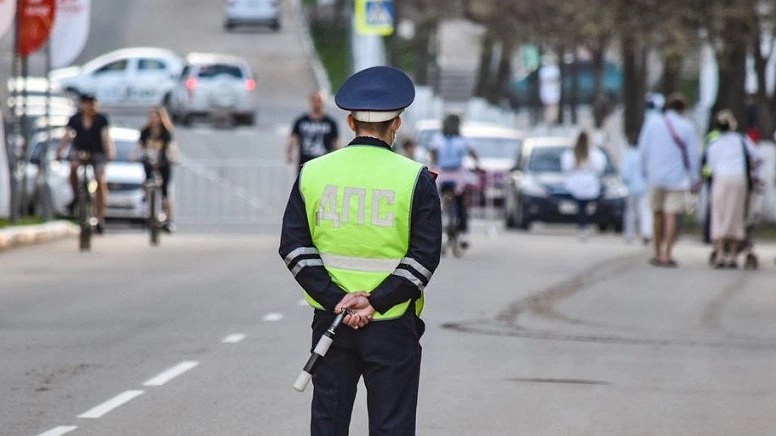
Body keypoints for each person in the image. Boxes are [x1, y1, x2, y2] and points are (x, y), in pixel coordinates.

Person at [279, 65, 442, 436]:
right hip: (392, 323)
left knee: (329, 423)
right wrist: (376, 301)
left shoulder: (313, 172)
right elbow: (424, 257)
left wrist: (336, 300)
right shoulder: (415, 178)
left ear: (350, 122)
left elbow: (294, 248)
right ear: (396, 124)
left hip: (331, 322)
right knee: (392, 426)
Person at [638, 92, 701, 267]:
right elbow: (693, 156)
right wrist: (694, 179)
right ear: (683, 110)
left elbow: (643, 150)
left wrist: (643, 172)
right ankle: (667, 254)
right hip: (677, 179)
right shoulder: (687, 127)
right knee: (671, 215)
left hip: (655, 177)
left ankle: (656, 252)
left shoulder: (652, 124)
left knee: (656, 214)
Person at [706, 110, 762, 268]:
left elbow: (711, 166)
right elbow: (757, 157)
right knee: (735, 214)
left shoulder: (714, 143)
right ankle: (732, 255)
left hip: (720, 179)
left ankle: (720, 253)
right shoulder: (741, 140)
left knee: (719, 214)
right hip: (738, 179)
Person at [55, 93, 114, 234]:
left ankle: (100, 216)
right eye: (88, 104)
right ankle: (77, 196)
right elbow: (67, 135)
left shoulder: (102, 119)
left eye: (93, 104)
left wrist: (109, 152)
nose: (91, 107)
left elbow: (106, 137)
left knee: (100, 179)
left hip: (97, 152)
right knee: (73, 167)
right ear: (82, 105)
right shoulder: (75, 119)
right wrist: (59, 151)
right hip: (80, 151)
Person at [428, 114, 478, 243]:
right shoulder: (461, 139)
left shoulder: (438, 138)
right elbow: (472, 152)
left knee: (439, 200)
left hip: (442, 175)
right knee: (460, 200)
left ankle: (437, 225)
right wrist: (477, 164)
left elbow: (433, 154)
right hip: (458, 175)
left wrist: (433, 164)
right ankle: (462, 227)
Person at [132, 106, 179, 233]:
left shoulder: (166, 133)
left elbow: (171, 149)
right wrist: (134, 157)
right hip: (148, 162)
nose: (153, 119)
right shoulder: (145, 132)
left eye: (156, 116)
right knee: (147, 184)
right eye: (151, 117)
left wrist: (172, 158)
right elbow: (138, 148)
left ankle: (169, 220)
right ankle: (149, 212)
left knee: (165, 192)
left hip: (163, 163)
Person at [560, 131, 606, 241]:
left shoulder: (573, 152)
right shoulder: (593, 153)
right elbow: (600, 167)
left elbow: (566, 167)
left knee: (581, 207)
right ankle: (584, 227)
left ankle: (582, 227)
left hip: (577, 181)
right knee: (585, 207)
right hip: (588, 181)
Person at [287, 90, 340, 175]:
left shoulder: (330, 123)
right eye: (314, 100)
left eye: (319, 101)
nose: (316, 103)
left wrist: (337, 159)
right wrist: (289, 153)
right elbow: (293, 139)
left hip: (324, 164)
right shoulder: (301, 121)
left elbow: (336, 142)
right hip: (305, 164)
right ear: (310, 101)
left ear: (324, 103)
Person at [620, 133, 652, 244]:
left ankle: (630, 234)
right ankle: (646, 233)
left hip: (631, 187)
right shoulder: (645, 155)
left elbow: (624, 172)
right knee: (645, 211)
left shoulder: (628, 155)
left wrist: (627, 182)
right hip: (644, 187)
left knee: (630, 212)